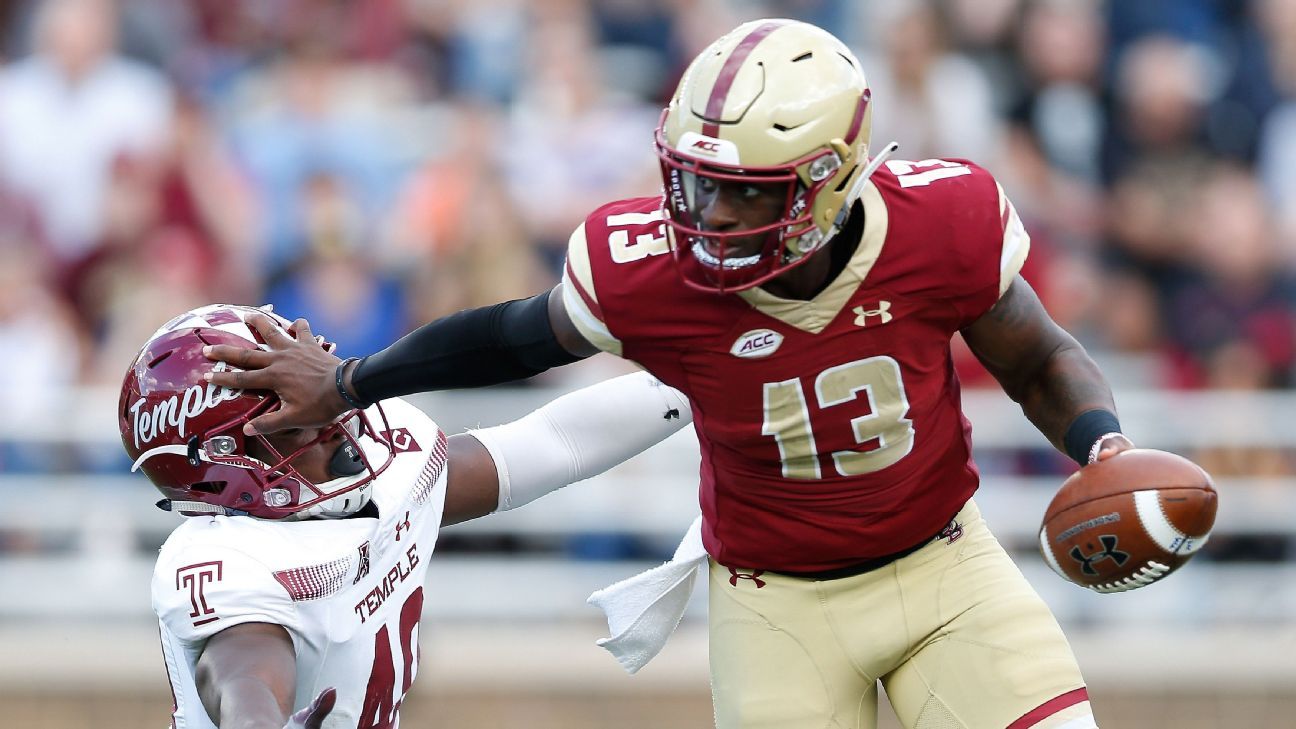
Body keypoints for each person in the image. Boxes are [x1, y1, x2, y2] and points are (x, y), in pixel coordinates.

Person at [204, 19, 1138, 729]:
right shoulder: (649, 270)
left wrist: (1104, 445)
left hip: (947, 569)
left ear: (832, 177)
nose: (712, 215)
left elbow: (1041, 354)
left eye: (747, 192)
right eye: (698, 181)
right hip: (777, 606)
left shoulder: (942, 223)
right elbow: (515, 335)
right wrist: (354, 380)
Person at [121, 303, 690, 728]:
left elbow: (550, 444)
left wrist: (699, 380)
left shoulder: (389, 458)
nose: (336, 421)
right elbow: (240, 672)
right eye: (297, 419)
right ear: (227, 464)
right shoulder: (224, 561)